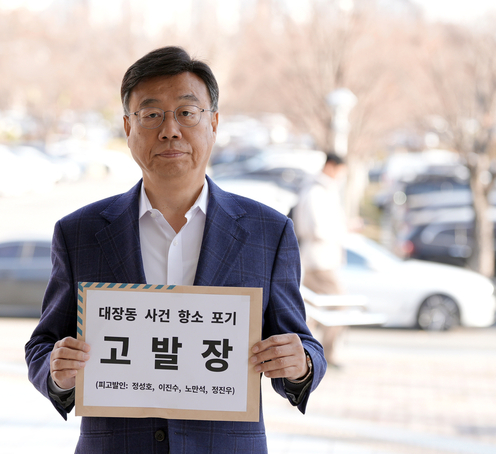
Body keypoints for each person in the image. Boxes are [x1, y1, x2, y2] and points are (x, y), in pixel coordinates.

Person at [25, 46, 326, 454]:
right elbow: (43, 345)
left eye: (187, 112)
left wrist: (300, 364)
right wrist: (58, 374)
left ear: (214, 122)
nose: (170, 130)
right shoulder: (80, 232)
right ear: (128, 127)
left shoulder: (268, 232)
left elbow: (303, 345)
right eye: (151, 115)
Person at [292, 153, 348, 365]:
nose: (341, 177)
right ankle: (326, 354)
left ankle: (303, 353)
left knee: (310, 313)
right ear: (331, 167)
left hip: (318, 259)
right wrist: (342, 229)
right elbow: (314, 228)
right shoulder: (316, 191)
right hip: (319, 261)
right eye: (341, 171)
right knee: (339, 305)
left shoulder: (320, 190)